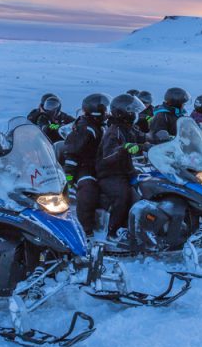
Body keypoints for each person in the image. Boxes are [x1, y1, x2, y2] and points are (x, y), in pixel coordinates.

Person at [96, 94, 146, 241]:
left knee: (145, 188)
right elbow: (107, 156)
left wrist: (162, 140)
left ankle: (140, 226)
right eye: (133, 112)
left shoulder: (129, 128)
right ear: (123, 113)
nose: (136, 115)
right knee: (123, 196)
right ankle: (112, 231)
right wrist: (124, 148)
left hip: (127, 170)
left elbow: (143, 137)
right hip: (110, 174)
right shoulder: (113, 132)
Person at [59, 93, 110, 236]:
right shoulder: (85, 128)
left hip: (97, 165)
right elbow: (72, 153)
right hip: (83, 167)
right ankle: (85, 230)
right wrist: (69, 176)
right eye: (105, 110)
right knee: (88, 191)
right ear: (96, 111)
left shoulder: (99, 126)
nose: (108, 113)